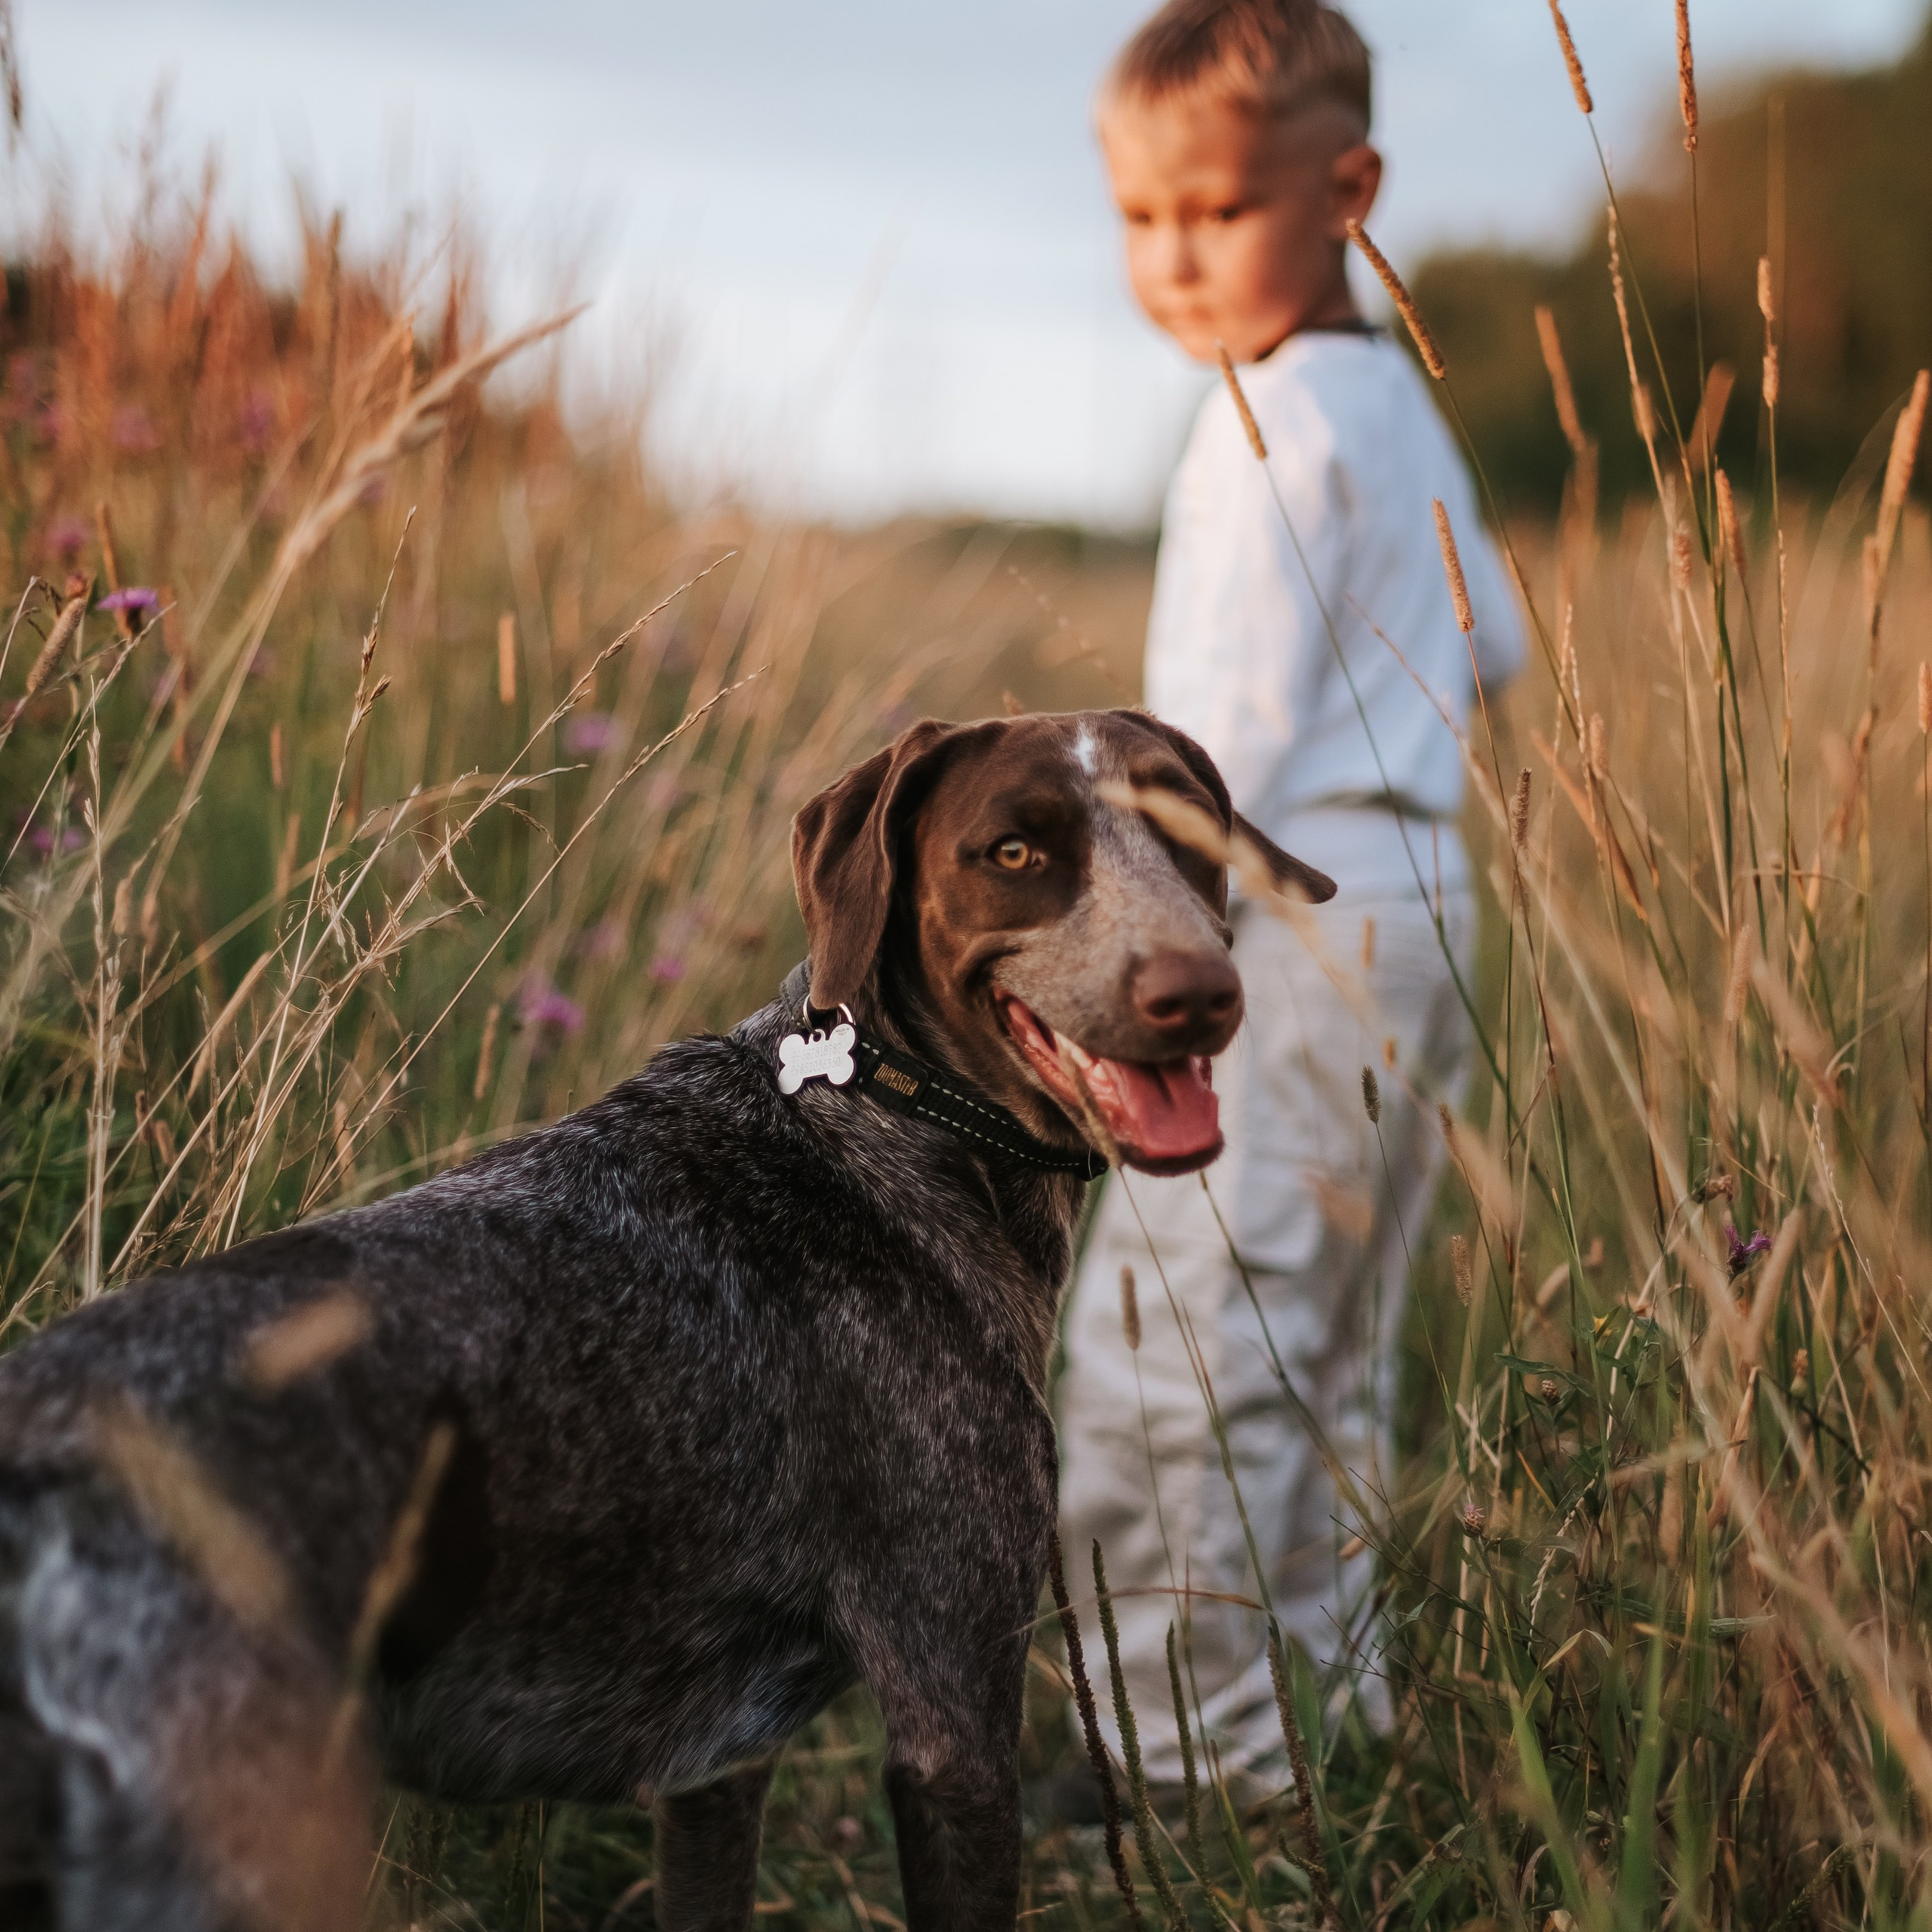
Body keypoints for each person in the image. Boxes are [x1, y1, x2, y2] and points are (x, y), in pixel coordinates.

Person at [1053, 0, 1523, 1809]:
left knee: (1176, 1348)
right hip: (1418, 911)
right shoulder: (1389, 395)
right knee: (1328, 1346)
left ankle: (1185, 1762)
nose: (1172, 259)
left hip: (1288, 922)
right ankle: (1334, 1715)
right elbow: (1497, 642)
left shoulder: (1255, 423)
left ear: (1347, 192)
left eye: (1218, 212)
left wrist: (1118, 962)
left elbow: (1203, 763)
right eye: (1139, 216)